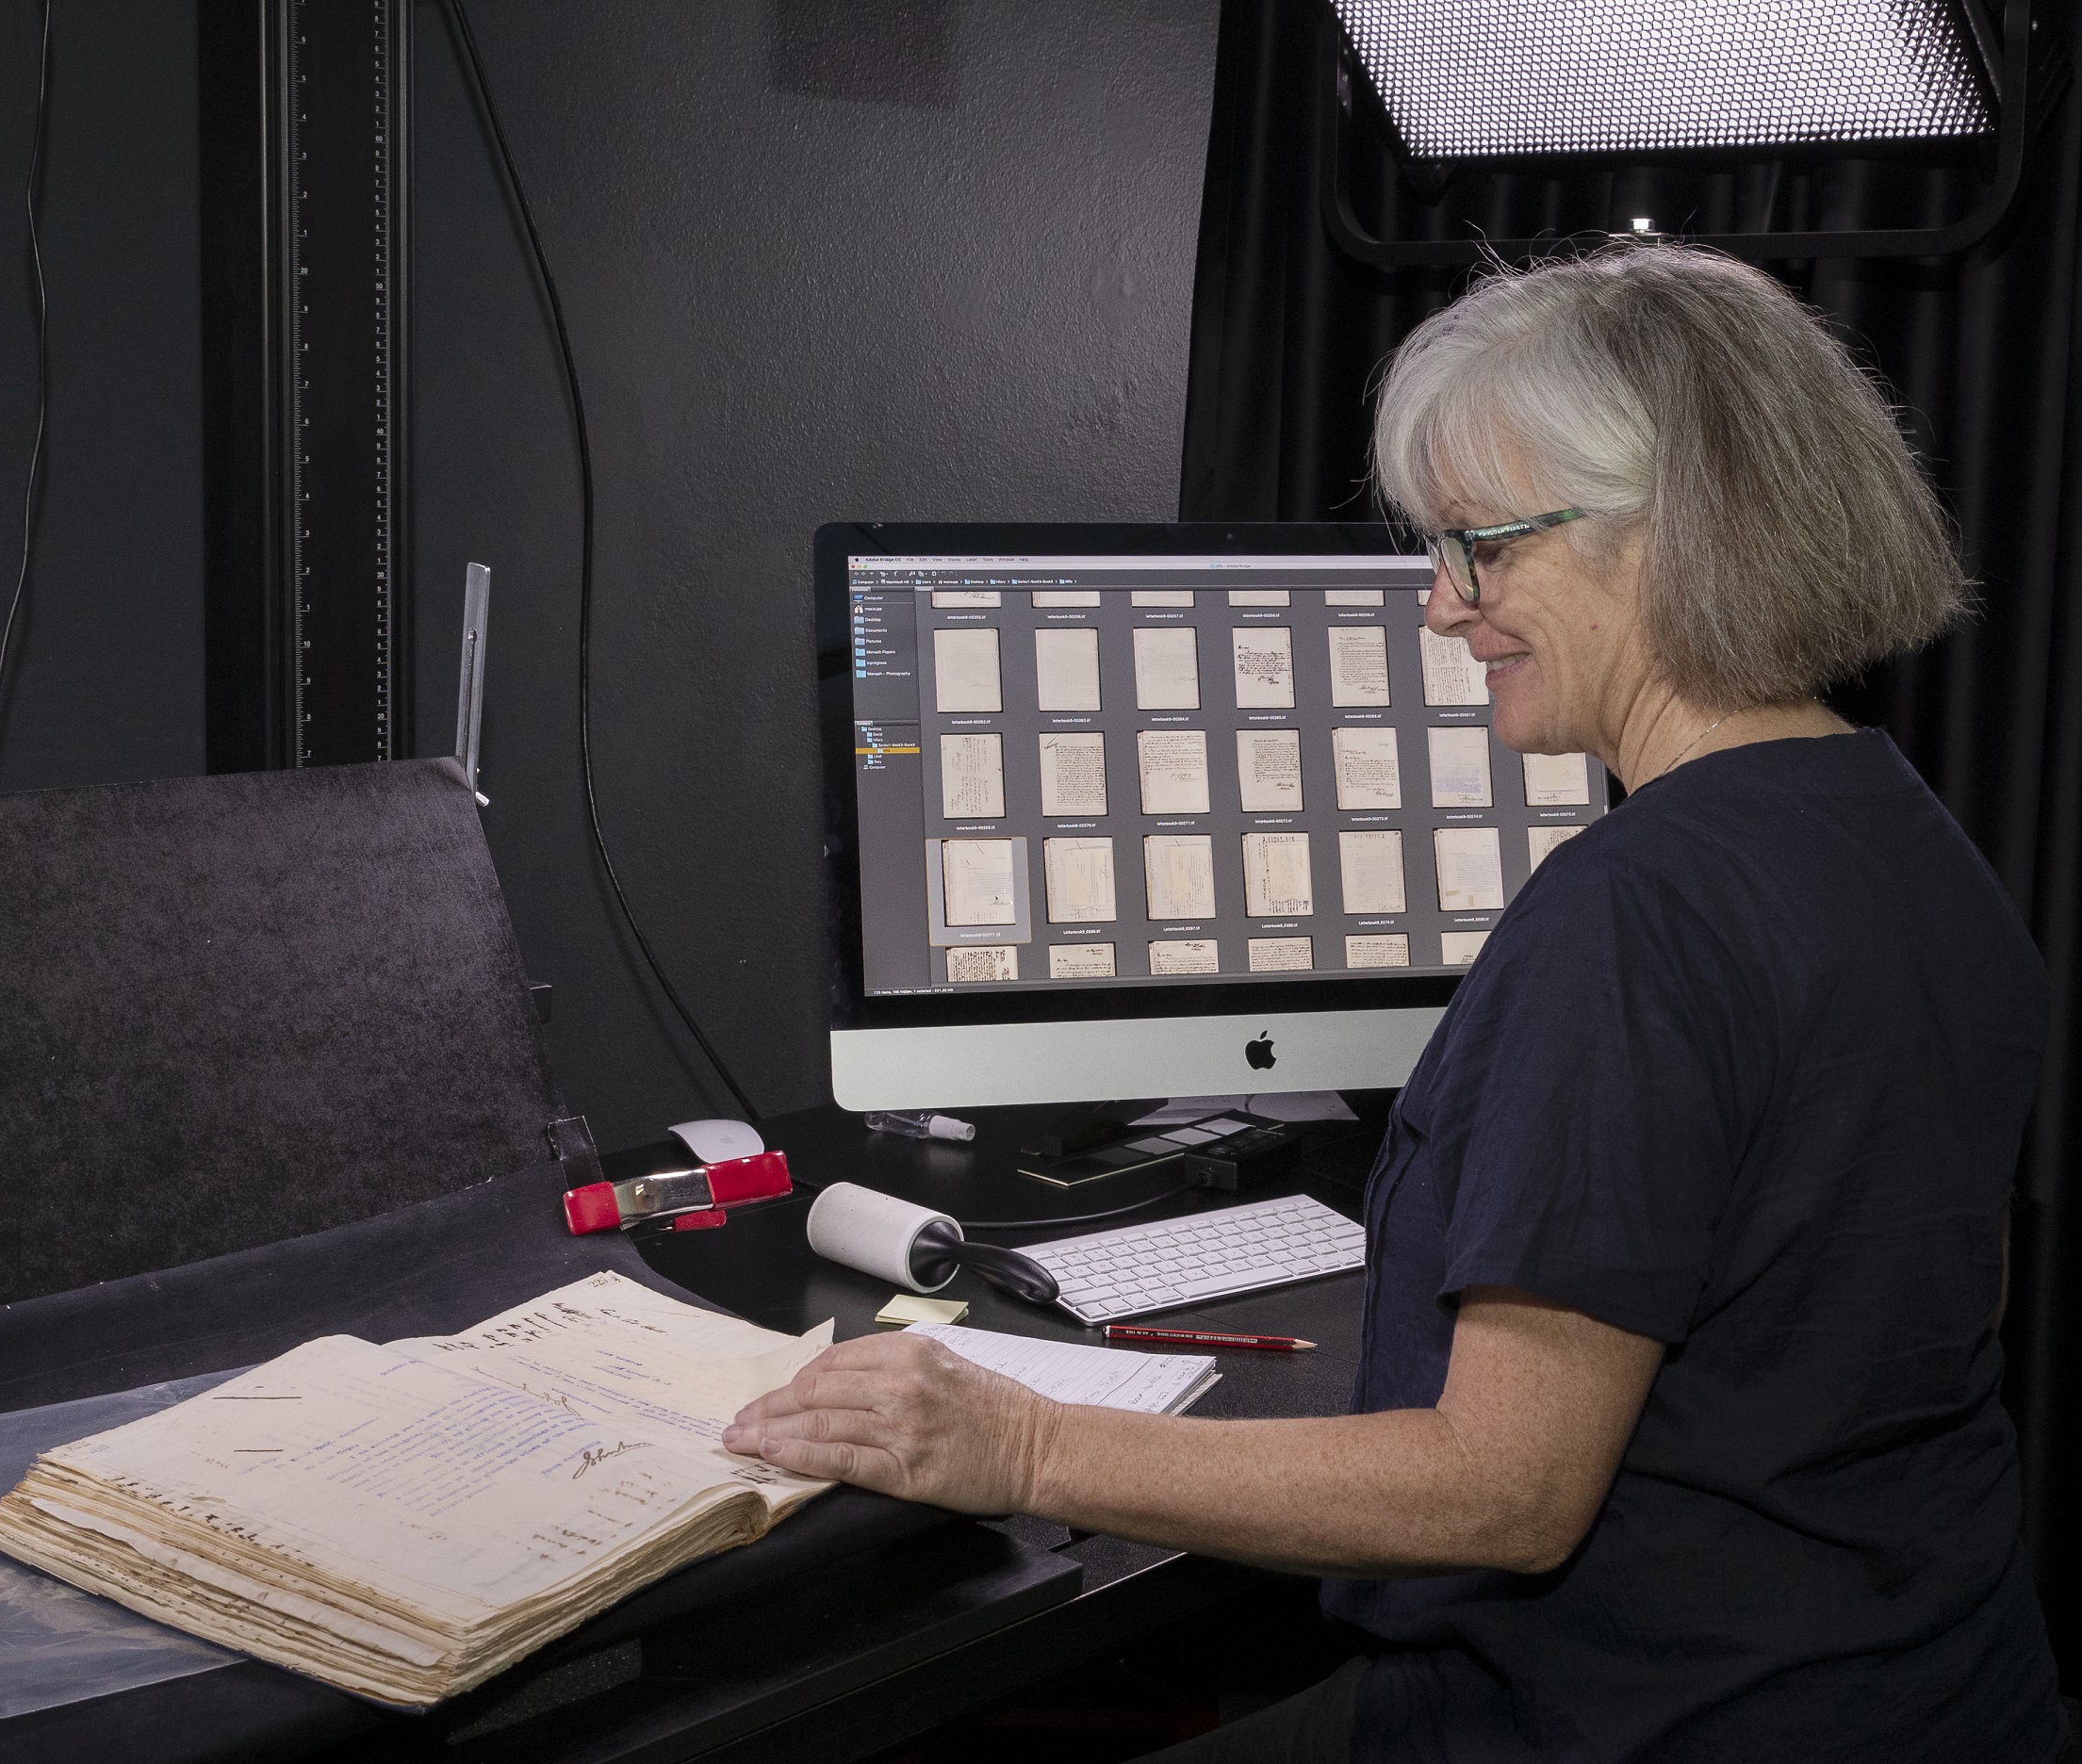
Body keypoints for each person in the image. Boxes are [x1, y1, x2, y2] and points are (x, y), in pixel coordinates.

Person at [723, 245, 2065, 1760]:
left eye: (1479, 548)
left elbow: (1505, 1495)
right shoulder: (1910, 839)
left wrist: (1017, 1439)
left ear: (1659, 540)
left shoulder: (1634, 911)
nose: (1441, 608)